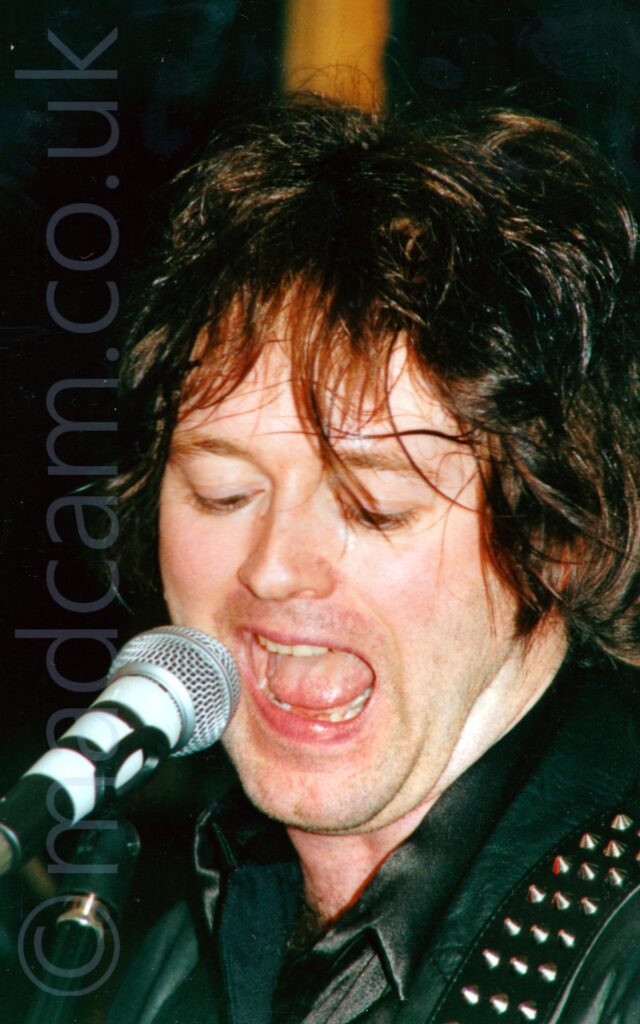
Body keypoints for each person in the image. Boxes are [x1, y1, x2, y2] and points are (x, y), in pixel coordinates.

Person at [107, 98, 640, 1023]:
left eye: (372, 505)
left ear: (556, 538)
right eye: (222, 493)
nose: (275, 567)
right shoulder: (171, 963)